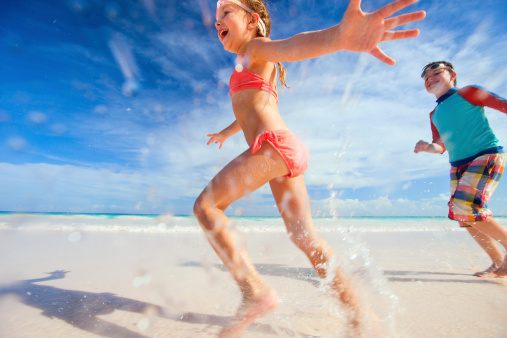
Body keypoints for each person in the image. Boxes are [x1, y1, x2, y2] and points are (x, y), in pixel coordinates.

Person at [193, 0, 425, 336]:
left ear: (253, 20)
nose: (218, 22)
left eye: (226, 12)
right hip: (284, 148)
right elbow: (252, 105)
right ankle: (359, 314)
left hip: (271, 147)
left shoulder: (257, 48)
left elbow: (292, 46)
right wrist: (227, 132)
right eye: (216, 19)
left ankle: (253, 291)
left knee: (206, 207)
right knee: (304, 236)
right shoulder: (247, 64)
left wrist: (339, 37)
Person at [414, 61, 507, 279]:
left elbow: (503, 104)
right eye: (426, 78)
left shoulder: (468, 92)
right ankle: (498, 263)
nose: (430, 79)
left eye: (436, 73)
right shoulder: (434, 113)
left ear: (452, 75)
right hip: (458, 165)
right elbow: (441, 144)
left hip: (486, 154)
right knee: (464, 216)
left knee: (466, 205)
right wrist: (428, 147)